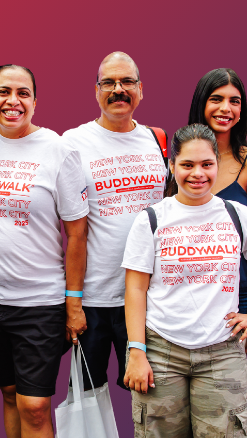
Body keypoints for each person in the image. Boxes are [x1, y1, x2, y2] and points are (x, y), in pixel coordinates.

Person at [122, 124, 247, 438]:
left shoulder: (237, 215)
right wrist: (137, 352)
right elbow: (135, 290)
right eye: (187, 165)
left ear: (217, 164)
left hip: (222, 354)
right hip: (161, 353)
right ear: (172, 166)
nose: (197, 173)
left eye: (206, 164)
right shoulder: (152, 219)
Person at [0, 64, 89, 438]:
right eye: (2, 92)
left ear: (35, 101)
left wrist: (74, 301)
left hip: (39, 301)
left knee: (34, 405)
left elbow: (78, 233)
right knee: (8, 391)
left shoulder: (59, 150)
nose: (12, 101)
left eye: (22, 93)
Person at [62, 51, 168, 392]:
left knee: (150, 397)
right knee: (87, 398)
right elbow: (62, 226)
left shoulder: (159, 140)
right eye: (109, 82)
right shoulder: (73, 142)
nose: (118, 89)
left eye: (127, 82)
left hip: (146, 298)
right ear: (96, 91)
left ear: (141, 90)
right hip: (92, 298)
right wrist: (72, 301)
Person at [188, 68, 247, 352]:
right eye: (216, 99)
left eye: (235, 101)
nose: (226, 108)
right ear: (201, 103)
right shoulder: (181, 159)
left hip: (239, 293)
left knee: (224, 387)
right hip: (186, 292)